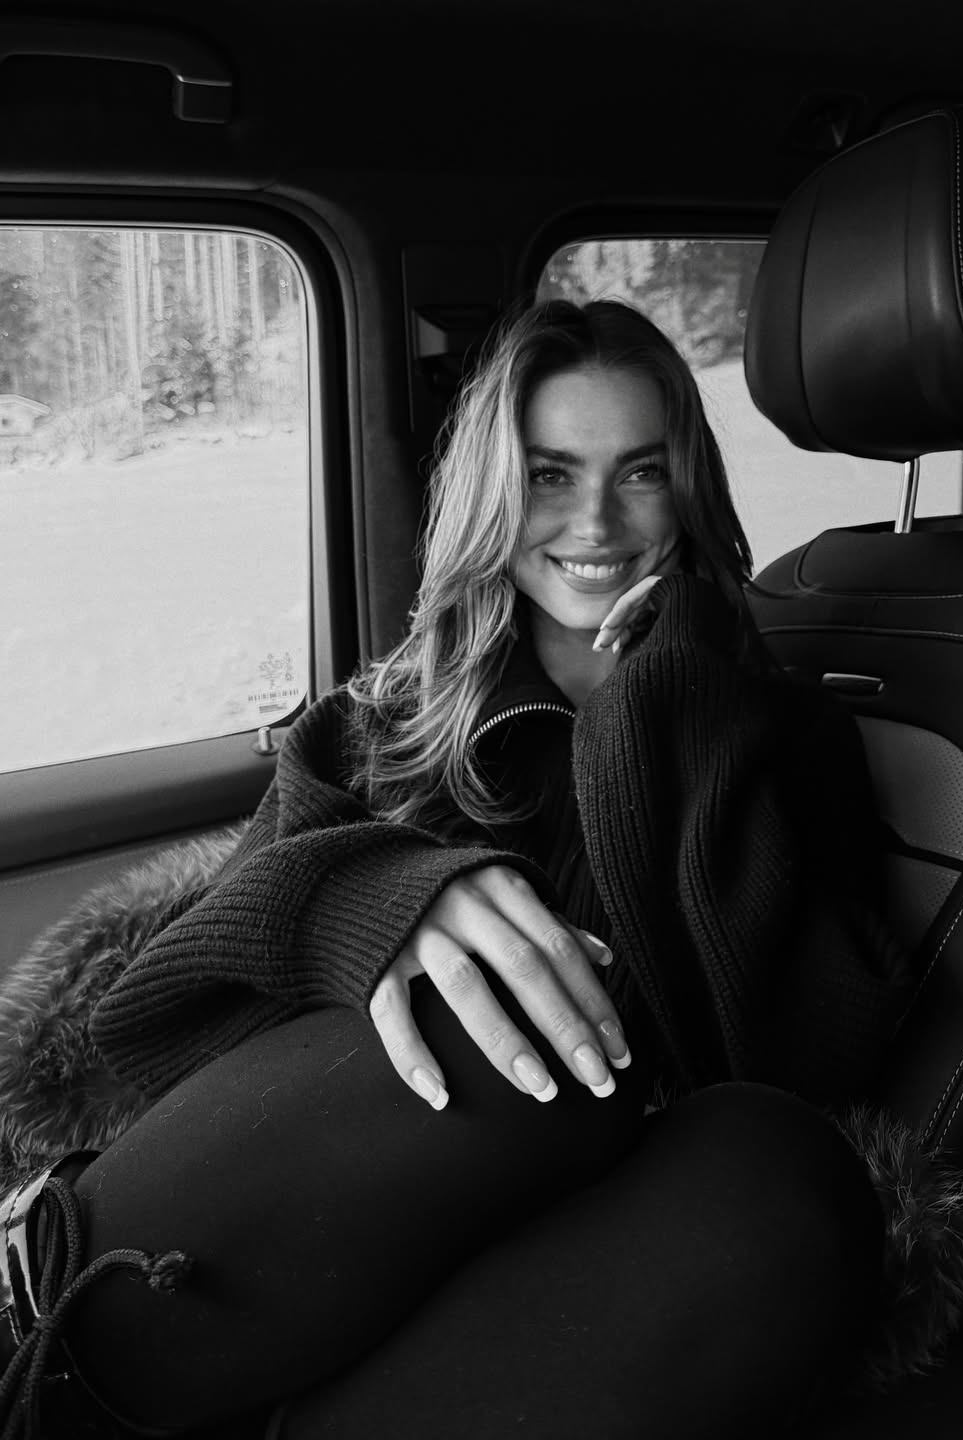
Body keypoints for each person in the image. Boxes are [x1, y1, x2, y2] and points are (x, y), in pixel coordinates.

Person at [0, 300, 911, 1440]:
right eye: (548, 475)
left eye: (640, 473)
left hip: (543, 1288)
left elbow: (792, 1055)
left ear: (688, 488)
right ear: (493, 491)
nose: (595, 520)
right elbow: (162, 1013)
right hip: (255, 1244)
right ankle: (34, 1367)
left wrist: (661, 709)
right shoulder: (381, 721)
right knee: (490, 1017)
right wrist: (382, 907)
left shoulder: (788, 742)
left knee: (771, 1174)